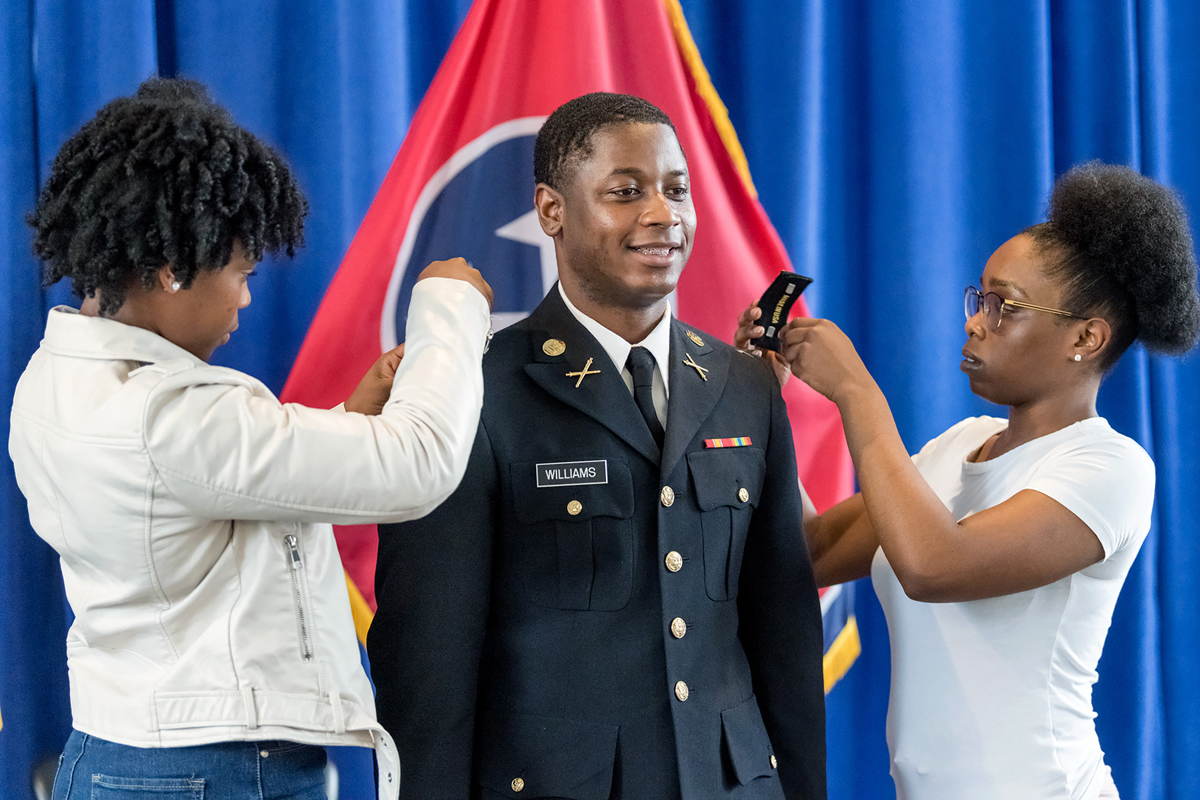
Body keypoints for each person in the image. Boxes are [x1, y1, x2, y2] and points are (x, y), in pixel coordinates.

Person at [10, 77, 494, 800]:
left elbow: (203, 512)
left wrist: (341, 420)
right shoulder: (170, 413)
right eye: (240, 271)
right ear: (172, 270)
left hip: (112, 752)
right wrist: (449, 309)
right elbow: (419, 464)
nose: (244, 297)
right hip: (218, 770)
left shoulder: (53, 378)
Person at [368, 92, 827, 799]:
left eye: (677, 190)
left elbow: (783, 630)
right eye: (625, 192)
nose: (662, 215)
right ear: (552, 210)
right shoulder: (476, 390)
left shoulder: (745, 383)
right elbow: (428, 660)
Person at [736, 162, 1200, 800]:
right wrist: (763, 406)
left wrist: (854, 391)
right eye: (978, 299)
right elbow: (808, 551)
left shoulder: (1110, 469)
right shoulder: (957, 445)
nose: (976, 321)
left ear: (1087, 338)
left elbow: (935, 567)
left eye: (1005, 307)